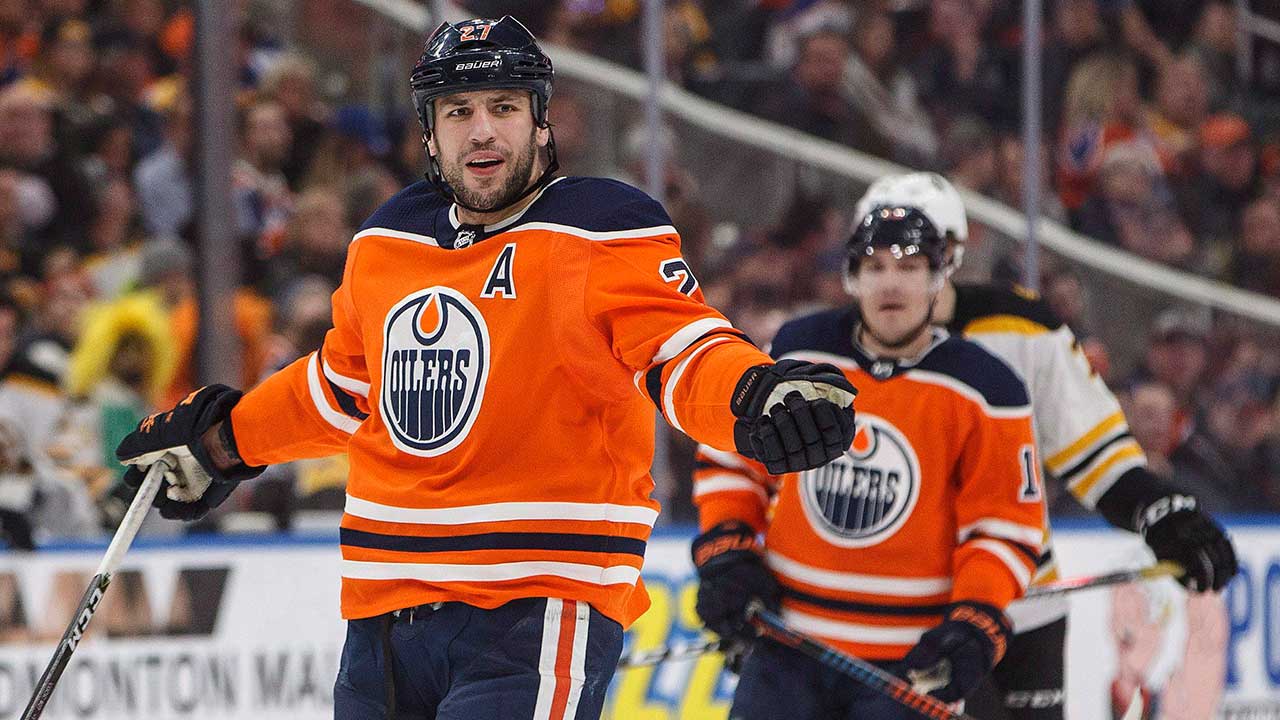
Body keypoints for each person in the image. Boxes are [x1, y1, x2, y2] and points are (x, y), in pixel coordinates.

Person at [112, 16, 857, 720]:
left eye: (504, 107)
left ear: (540, 121)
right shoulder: (386, 239)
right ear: (430, 132)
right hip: (383, 620)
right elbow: (340, 387)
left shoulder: (600, 227)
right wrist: (225, 443)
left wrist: (754, 393)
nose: (482, 130)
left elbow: (683, 351)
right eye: (458, 111)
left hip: (535, 602)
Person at [854, 172, 1238, 720]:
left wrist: (1161, 512)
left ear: (951, 255)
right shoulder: (831, 348)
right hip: (890, 613)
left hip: (1021, 604)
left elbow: (1096, 454)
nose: (896, 279)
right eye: (879, 261)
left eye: (914, 258)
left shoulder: (1021, 329)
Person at [692, 204, 1046, 718]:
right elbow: (732, 460)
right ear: (851, 279)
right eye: (875, 266)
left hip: (910, 665)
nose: (891, 283)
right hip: (787, 649)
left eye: (909, 267)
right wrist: (728, 550)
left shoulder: (988, 388)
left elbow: (1004, 527)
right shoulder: (798, 351)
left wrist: (976, 618)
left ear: (939, 279)